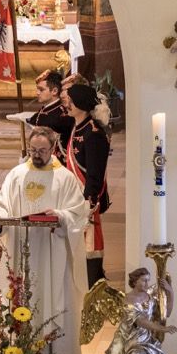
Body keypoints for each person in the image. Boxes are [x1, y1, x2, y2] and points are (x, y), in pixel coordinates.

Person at [0, 127, 89, 354]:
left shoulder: (65, 178)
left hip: (53, 252)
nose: (36, 155)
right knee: (21, 295)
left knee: (53, 295)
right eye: (33, 150)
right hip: (22, 247)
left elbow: (78, 213)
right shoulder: (17, 174)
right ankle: (20, 351)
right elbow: (0, 203)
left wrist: (60, 216)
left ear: (53, 149)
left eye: (42, 151)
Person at [95, 267, 176, 354]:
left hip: (143, 339)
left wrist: (170, 291)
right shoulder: (128, 300)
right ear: (135, 281)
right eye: (144, 280)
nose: (147, 283)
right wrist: (163, 328)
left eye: (148, 280)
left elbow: (166, 313)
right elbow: (142, 322)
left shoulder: (150, 296)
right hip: (125, 338)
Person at [64, 82, 111, 289]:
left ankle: (92, 287)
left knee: (90, 245)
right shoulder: (78, 126)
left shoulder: (93, 134)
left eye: (71, 101)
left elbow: (95, 173)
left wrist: (89, 200)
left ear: (81, 104)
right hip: (73, 198)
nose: (67, 104)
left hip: (86, 200)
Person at [9, 71, 74, 164]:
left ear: (54, 91)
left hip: (54, 163)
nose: (37, 93)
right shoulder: (47, 108)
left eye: (41, 89)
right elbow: (36, 118)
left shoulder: (60, 114)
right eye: (37, 89)